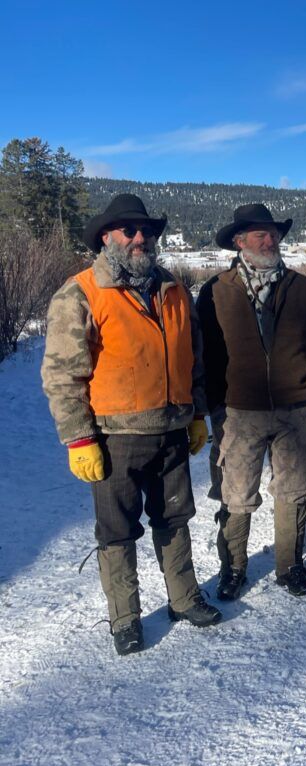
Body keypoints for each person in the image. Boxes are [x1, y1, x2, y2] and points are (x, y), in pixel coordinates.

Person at [42, 194, 221, 655]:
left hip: (172, 430)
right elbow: (63, 374)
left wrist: (197, 412)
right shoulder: (81, 291)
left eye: (147, 232)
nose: (141, 239)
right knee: (117, 531)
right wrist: (79, 438)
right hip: (114, 437)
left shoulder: (173, 288)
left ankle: (184, 599)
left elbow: (193, 359)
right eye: (129, 230)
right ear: (107, 236)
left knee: (175, 519)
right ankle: (125, 617)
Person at [199, 204, 306, 600]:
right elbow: (204, 352)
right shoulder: (216, 290)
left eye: (273, 233)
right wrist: (214, 405)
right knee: (236, 493)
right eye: (259, 234)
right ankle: (233, 569)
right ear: (240, 241)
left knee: (293, 490)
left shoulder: (301, 286)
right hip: (240, 412)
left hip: (298, 408)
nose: (269, 239)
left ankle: (290, 566)